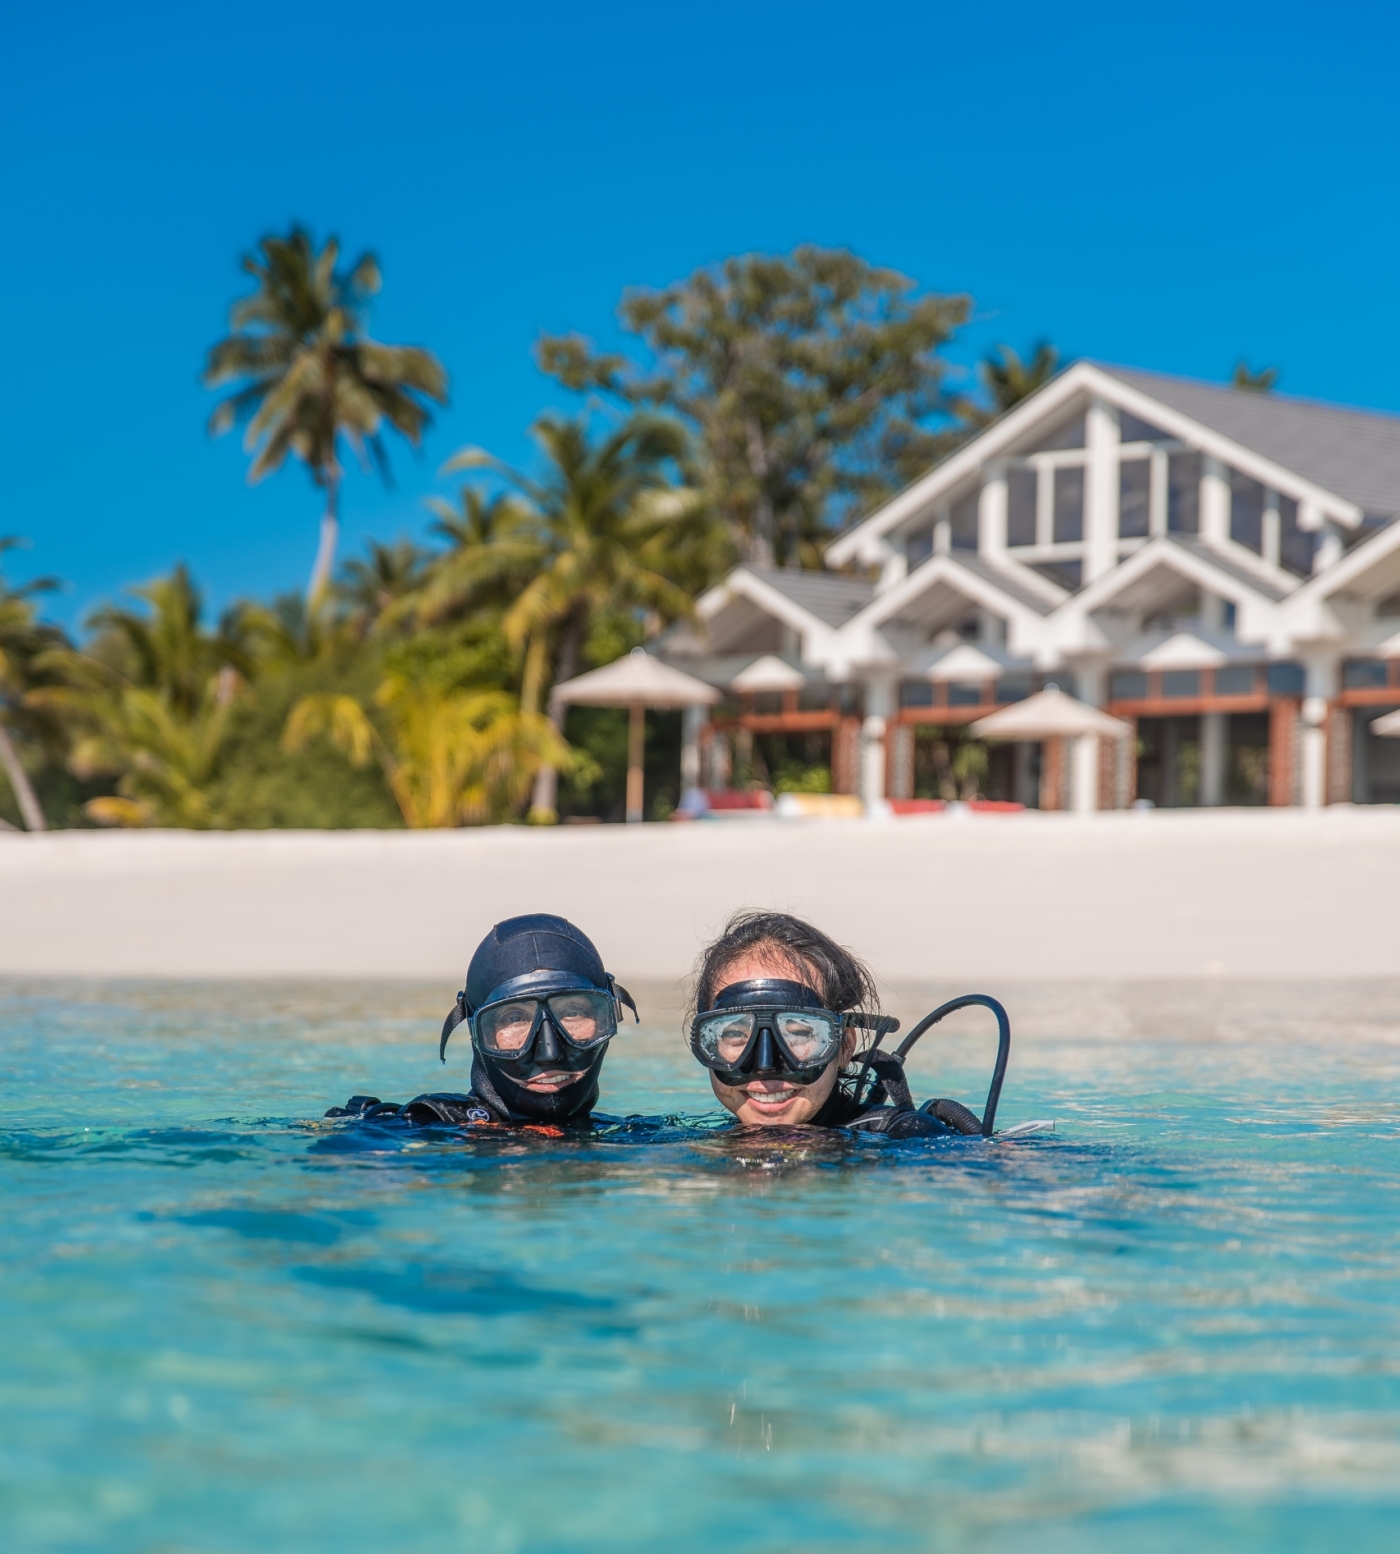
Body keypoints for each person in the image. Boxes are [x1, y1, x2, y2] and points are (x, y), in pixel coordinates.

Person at [686, 910, 985, 1137]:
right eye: (737, 1034)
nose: (765, 1066)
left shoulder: (906, 1141)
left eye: (798, 1033)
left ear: (843, 1045)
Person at [326, 913, 637, 1130]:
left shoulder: (629, 1136)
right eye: (514, 1018)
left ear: (608, 1016)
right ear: (475, 1033)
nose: (549, 1052)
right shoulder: (422, 1129)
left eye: (572, 1013)